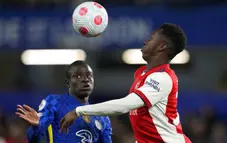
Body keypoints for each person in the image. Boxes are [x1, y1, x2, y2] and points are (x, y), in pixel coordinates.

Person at [60, 23, 192, 143]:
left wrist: (79, 111)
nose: (146, 41)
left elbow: (124, 105)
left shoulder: (161, 78)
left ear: (162, 46)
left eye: (151, 38)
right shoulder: (142, 75)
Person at [16, 61, 112, 143]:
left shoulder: (102, 116)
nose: (85, 79)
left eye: (89, 76)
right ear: (68, 82)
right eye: (78, 76)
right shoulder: (54, 102)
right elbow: (34, 140)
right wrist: (36, 127)